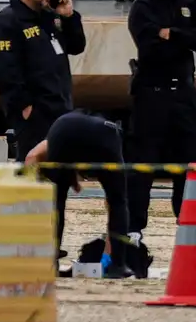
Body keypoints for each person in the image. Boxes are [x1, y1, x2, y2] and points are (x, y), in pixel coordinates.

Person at [124, 0, 196, 247]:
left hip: (184, 95)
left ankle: (187, 221)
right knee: (143, 164)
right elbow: (151, 48)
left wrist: (173, 34)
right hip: (152, 95)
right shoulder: (143, 7)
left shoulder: (188, 3)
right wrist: (180, 38)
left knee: (188, 163)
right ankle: (134, 229)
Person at [0, 0, 86, 162]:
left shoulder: (49, 16)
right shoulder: (8, 20)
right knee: (34, 173)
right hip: (35, 114)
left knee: (60, 174)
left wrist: (69, 17)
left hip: (60, 108)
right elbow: (6, 69)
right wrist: (24, 107)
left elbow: (76, 47)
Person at [23, 109, 134, 279]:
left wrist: (34, 196)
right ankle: (117, 266)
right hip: (104, 134)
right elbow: (114, 205)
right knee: (118, 201)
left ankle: (49, 264)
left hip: (64, 131)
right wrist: (108, 255)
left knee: (57, 202)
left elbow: (31, 156)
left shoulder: (63, 128)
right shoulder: (112, 133)